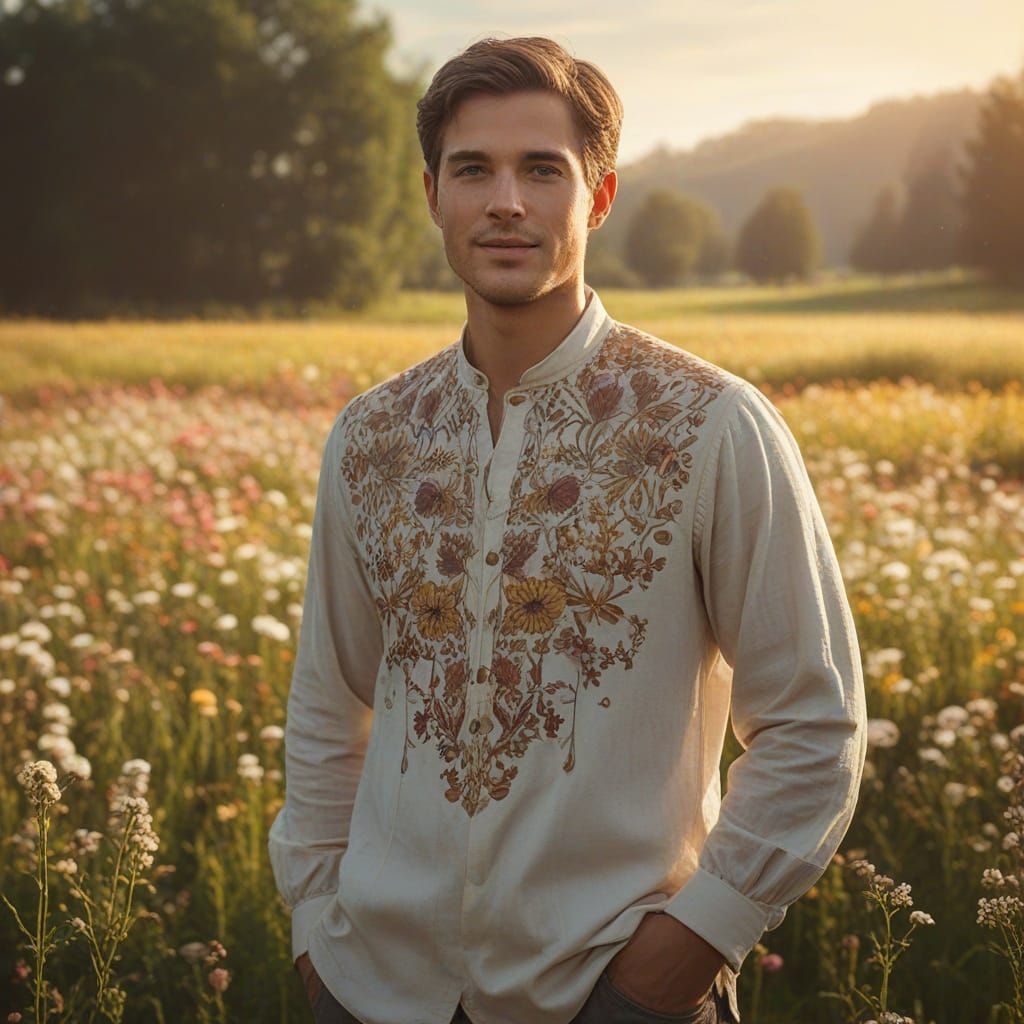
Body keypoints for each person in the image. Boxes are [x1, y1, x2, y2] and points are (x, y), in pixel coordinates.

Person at [269, 35, 867, 1024]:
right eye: (474, 169)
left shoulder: (709, 424)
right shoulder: (371, 436)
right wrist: (314, 929)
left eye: (541, 169)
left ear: (597, 197)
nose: (505, 200)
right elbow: (331, 704)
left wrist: (682, 953)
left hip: (614, 988)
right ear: (433, 196)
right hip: (372, 985)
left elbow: (813, 723)